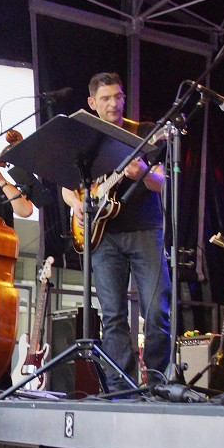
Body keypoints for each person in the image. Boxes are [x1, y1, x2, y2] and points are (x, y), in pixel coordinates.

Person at [60, 72, 171, 390]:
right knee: (113, 315)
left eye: (118, 96)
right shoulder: (86, 137)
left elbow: (161, 182)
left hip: (145, 230)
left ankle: (157, 382)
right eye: (106, 98)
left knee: (156, 311)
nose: (114, 103)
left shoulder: (144, 133)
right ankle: (121, 387)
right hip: (103, 236)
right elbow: (67, 186)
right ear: (92, 103)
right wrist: (76, 205)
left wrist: (143, 172)